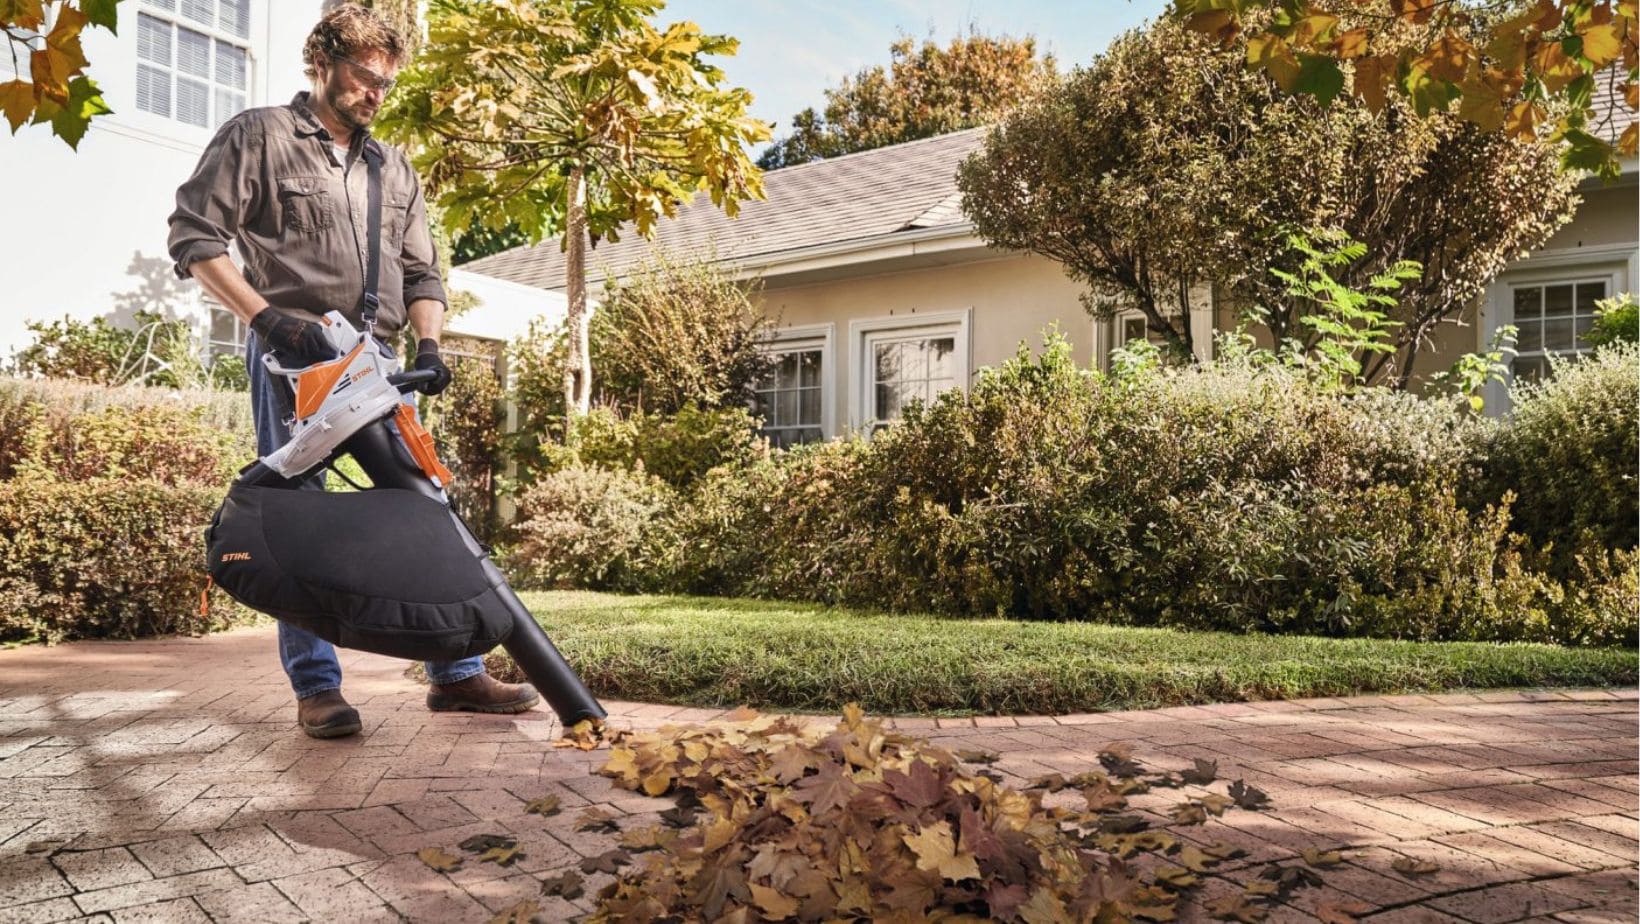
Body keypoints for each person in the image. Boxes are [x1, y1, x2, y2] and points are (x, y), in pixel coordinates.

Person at [168, 5, 539, 739]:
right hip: (293, 357)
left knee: (423, 507)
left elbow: (423, 271)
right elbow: (194, 238)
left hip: (382, 363)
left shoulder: (391, 166)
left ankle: (456, 674)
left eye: (386, 84)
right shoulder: (261, 136)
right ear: (323, 62)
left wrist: (429, 348)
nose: (374, 93)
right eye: (364, 76)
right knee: (300, 512)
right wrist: (265, 317)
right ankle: (317, 688)